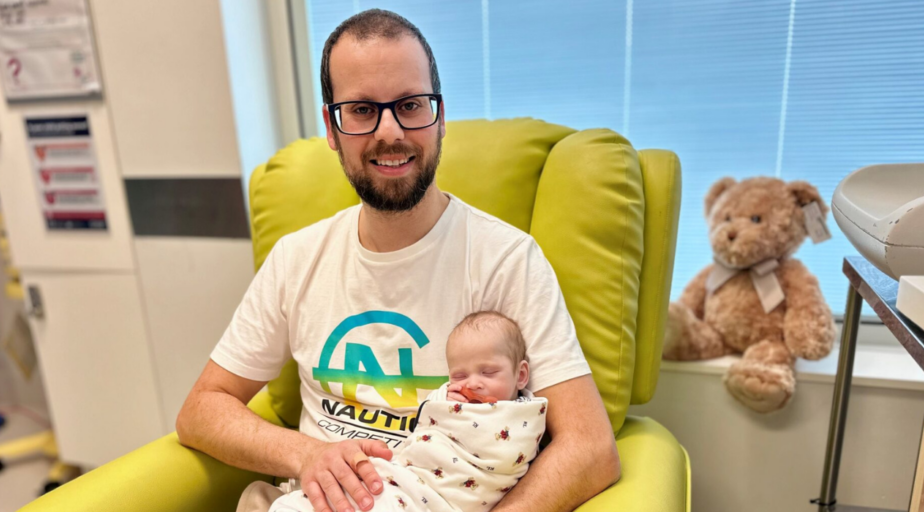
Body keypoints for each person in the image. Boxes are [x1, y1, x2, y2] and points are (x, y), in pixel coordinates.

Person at [176, 9, 620, 512]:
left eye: (410, 104)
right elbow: (201, 410)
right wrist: (309, 455)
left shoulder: (507, 259)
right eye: (362, 110)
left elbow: (591, 448)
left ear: (440, 115)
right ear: (331, 126)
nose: (390, 132)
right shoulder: (296, 259)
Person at [267, 311, 546, 512]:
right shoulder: (448, 397)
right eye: (459, 376)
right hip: (404, 477)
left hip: (438, 500)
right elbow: (428, 421)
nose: (472, 383)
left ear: (520, 376)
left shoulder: (523, 418)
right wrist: (445, 402)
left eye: (488, 372)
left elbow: (505, 458)